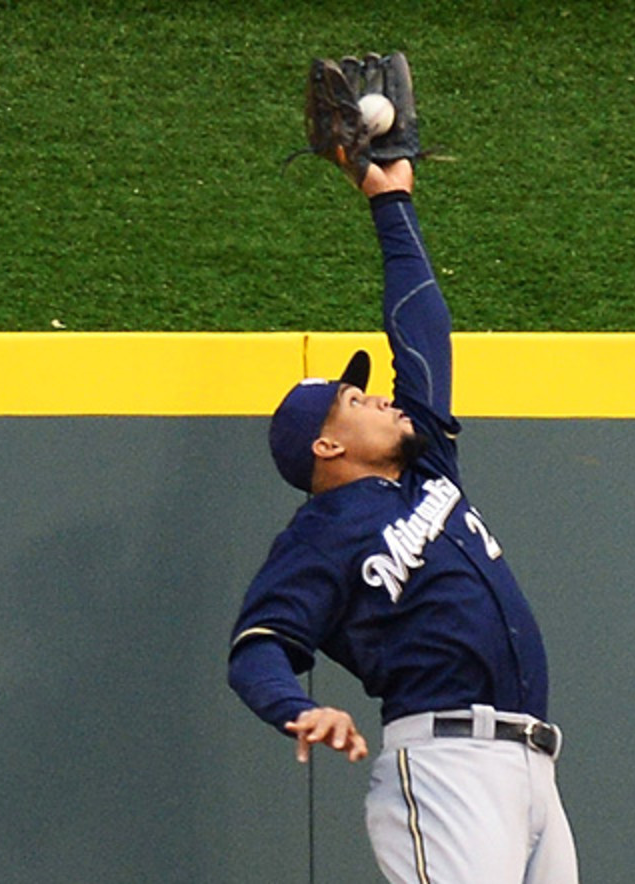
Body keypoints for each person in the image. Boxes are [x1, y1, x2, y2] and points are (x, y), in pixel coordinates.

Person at [228, 59, 578, 884]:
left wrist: (391, 202)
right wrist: (297, 708)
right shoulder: (319, 536)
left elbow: (422, 331)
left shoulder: (427, 467)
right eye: (355, 399)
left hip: (533, 770)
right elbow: (257, 647)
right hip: (447, 771)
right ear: (325, 446)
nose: (381, 397)